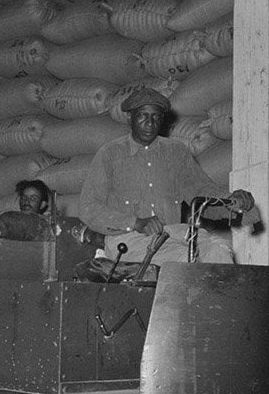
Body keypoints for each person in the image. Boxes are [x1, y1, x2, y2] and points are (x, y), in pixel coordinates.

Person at [76, 88, 254, 276]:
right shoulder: (110, 154)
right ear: (130, 118)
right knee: (187, 261)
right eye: (142, 116)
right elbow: (88, 207)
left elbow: (201, 190)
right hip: (129, 241)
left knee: (219, 250)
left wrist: (232, 201)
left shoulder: (175, 152)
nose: (150, 123)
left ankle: (223, 305)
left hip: (175, 235)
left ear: (162, 120)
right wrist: (135, 223)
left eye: (155, 117)